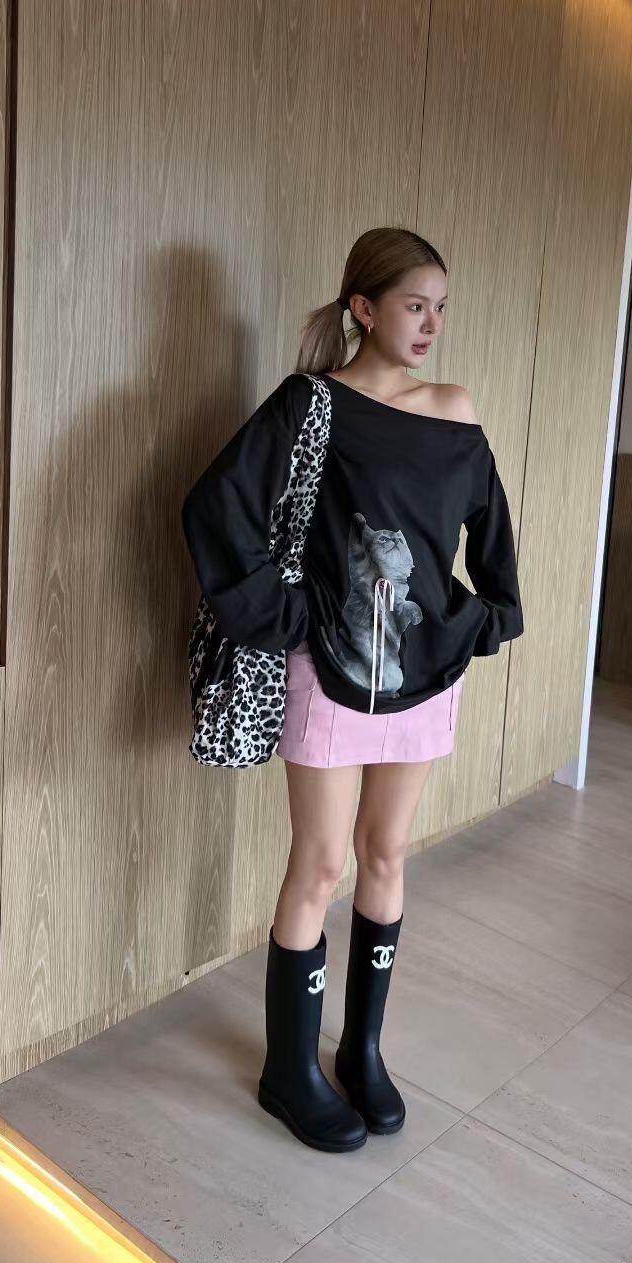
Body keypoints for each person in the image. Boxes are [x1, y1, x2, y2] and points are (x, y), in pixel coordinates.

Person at [181, 227, 523, 1152]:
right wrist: (288, 614)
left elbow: (488, 524)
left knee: (387, 852)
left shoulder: (455, 407)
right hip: (330, 672)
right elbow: (218, 505)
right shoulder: (312, 404)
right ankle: (289, 1071)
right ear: (364, 308)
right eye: (415, 305)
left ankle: (361, 1052)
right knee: (321, 864)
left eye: (441, 307)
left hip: (424, 670)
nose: (432, 324)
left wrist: (490, 609)